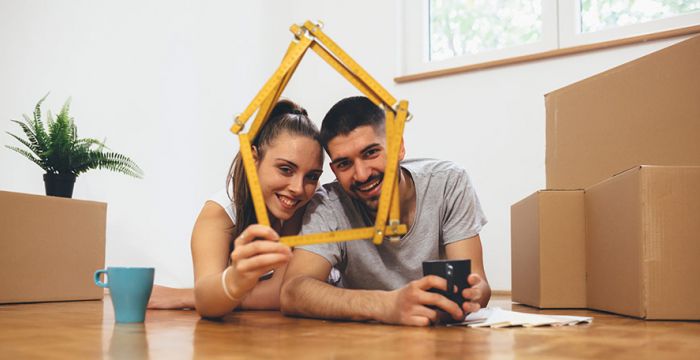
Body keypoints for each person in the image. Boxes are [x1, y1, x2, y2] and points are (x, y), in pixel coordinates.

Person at [280, 96, 491, 326]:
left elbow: (477, 282)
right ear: (334, 169)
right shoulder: (328, 204)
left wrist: (472, 294)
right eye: (344, 164)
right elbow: (292, 291)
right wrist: (386, 305)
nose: (361, 174)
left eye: (371, 153)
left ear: (399, 146)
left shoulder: (448, 182)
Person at [148, 100, 325, 317]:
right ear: (253, 160)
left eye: (312, 176)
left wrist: (185, 296)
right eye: (286, 169)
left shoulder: (313, 207)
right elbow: (208, 297)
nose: (298, 188)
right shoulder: (219, 213)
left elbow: (283, 291)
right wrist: (208, 294)